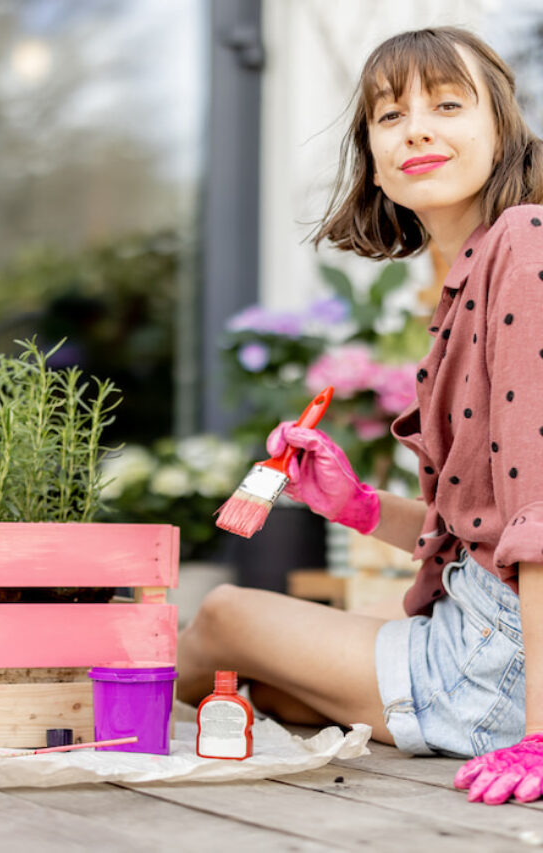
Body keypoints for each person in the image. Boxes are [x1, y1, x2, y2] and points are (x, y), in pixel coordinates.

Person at [177, 26, 543, 805]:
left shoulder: (524, 243)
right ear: (373, 160)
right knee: (273, 692)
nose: (416, 127)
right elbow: (481, 522)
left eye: (448, 104)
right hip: (478, 628)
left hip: (508, 659)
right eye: (389, 115)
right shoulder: (467, 279)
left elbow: (538, 509)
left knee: (219, 616)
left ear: (503, 131)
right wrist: (356, 503)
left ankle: (71, 704)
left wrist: (541, 734)